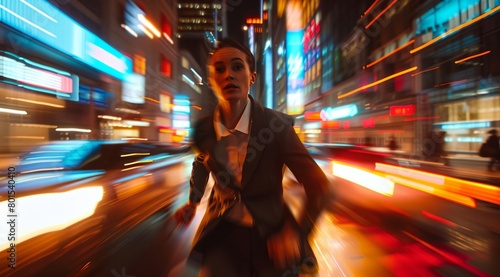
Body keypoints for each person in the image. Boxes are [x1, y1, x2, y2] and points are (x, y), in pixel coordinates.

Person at [174, 38, 330, 276]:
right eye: (220, 69)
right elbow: (201, 162)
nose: (228, 75)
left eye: (237, 67)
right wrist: (193, 202)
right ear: (212, 81)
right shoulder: (203, 129)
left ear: (252, 77)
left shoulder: (276, 125)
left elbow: (319, 185)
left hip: (271, 234)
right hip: (222, 233)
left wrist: (294, 232)